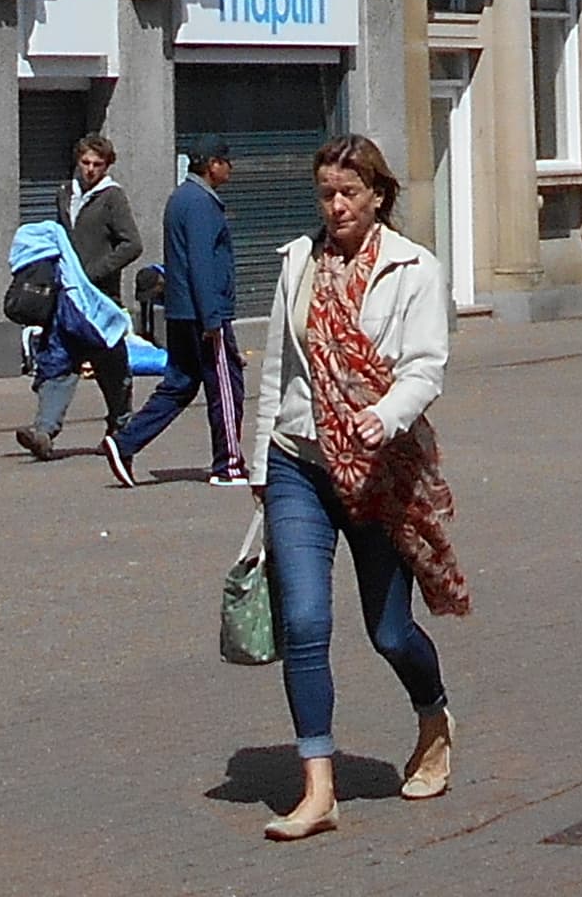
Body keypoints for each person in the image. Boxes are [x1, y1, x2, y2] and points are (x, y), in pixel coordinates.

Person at [246, 135, 463, 842]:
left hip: (376, 468)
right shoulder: (298, 263)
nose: (336, 205)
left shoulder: (413, 268)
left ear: (377, 195)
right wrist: (258, 466)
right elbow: (277, 369)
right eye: (326, 193)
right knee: (305, 623)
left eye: (348, 192)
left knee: (389, 630)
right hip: (298, 461)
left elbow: (426, 365)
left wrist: (384, 414)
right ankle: (319, 789)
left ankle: (433, 715)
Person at [103, 140, 245, 487]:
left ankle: (124, 443)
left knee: (180, 384)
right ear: (211, 164)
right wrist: (212, 317)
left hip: (182, 310)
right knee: (227, 387)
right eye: (226, 161)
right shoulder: (199, 204)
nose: (230, 169)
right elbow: (200, 261)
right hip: (202, 313)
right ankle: (228, 464)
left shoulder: (182, 198)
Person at [18, 136, 139, 461]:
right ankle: (43, 432)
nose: (90, 170)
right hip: (67, 301)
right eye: (86, 163)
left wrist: (93, 273)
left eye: (97, 165)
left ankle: (120, 429)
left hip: (100, 302)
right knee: (57, 363)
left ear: (107, 165)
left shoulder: (113, 198)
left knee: (112, 369)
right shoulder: (65, 193)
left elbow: (131, 244)